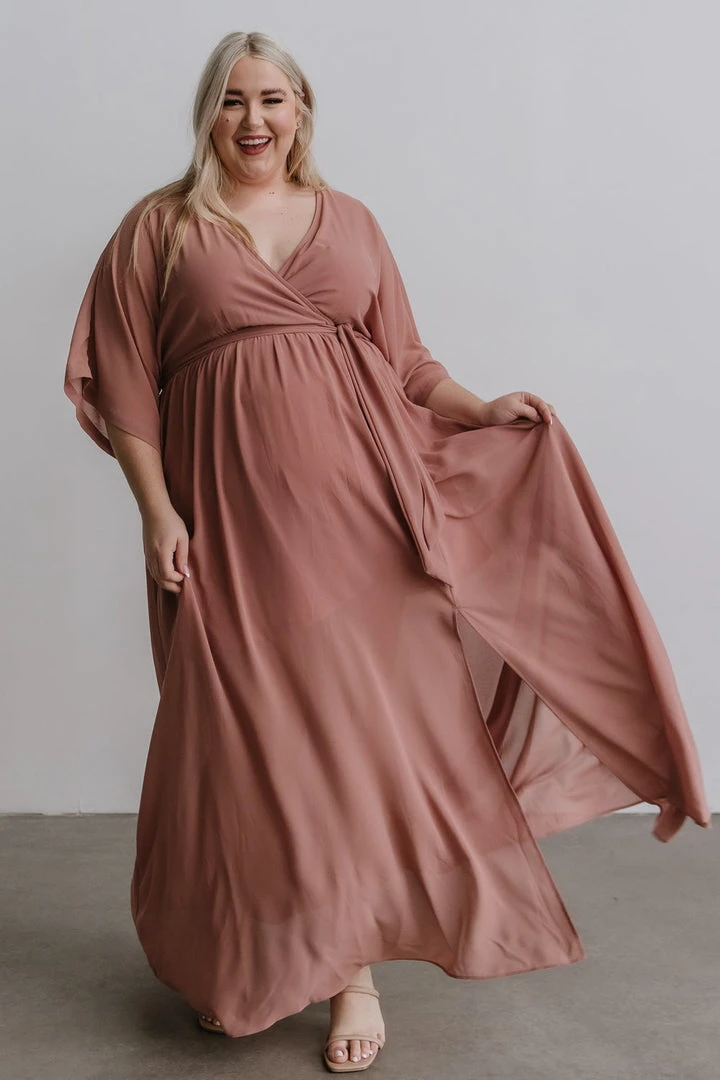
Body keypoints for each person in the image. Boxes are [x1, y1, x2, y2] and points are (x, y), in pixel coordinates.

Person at [63, 29, 710, 1074]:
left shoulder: (352, 221)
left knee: (356, 743)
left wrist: (481, 408)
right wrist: (157, 511)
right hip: (233, 528)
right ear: (208, 115)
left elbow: (406, 361)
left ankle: (350, 974)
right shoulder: (162, 228)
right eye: (233, 100)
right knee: (247, 748)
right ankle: (248, 961)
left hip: (368, 523)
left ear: (302, 111)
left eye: (272, 99)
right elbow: (126, 381)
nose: (254, 120)